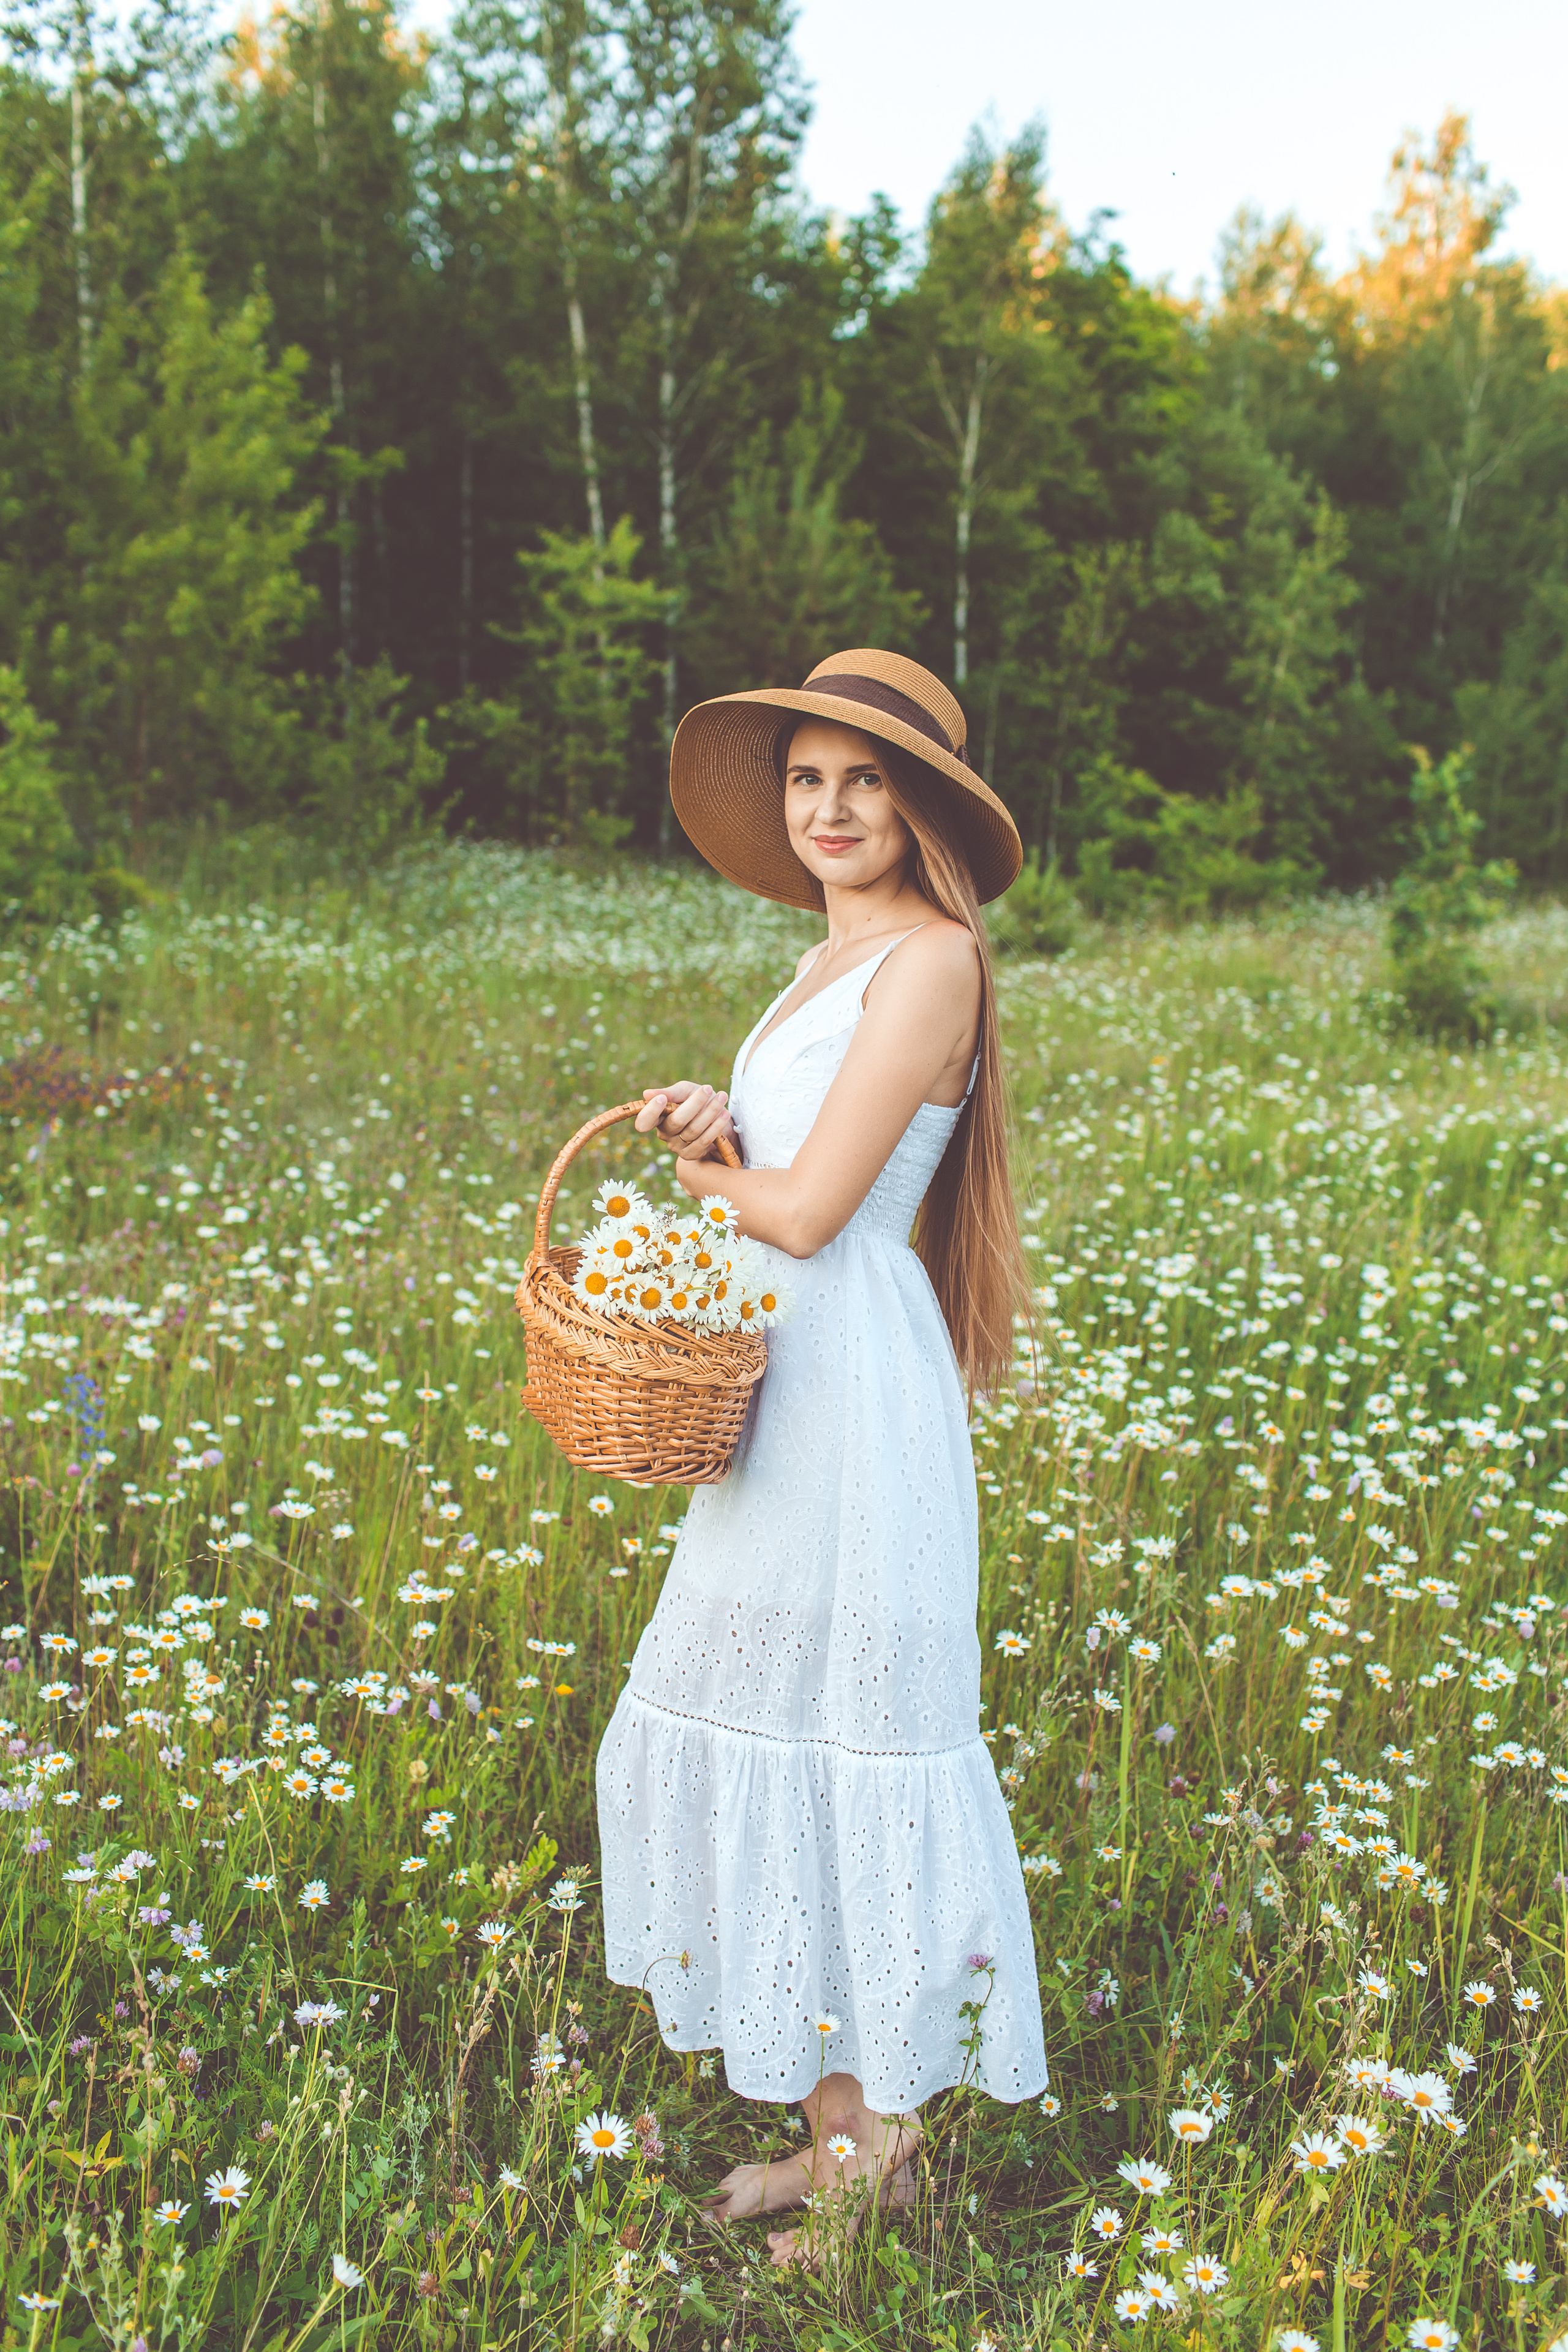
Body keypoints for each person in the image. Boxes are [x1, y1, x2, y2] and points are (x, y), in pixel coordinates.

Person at [595, 649, 1048, 2264]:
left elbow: (808, 1213)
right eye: (806, 779)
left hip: (853, 1401)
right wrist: (716, 1134)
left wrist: (725, 1186)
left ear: (915, 803)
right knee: (779, 1736)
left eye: (866, 779)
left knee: (856, 1746)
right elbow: (780, 1169)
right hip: (785, 1394)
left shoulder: (932, 960)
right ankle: (842, 2141)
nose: (833, 808)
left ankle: (884, 2168)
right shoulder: (818, 963)